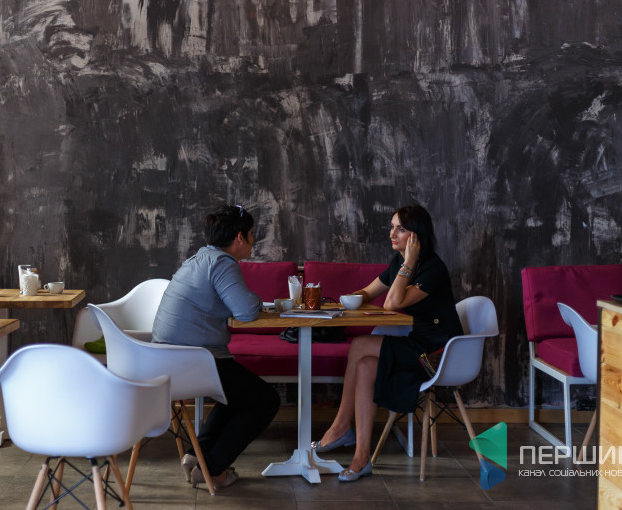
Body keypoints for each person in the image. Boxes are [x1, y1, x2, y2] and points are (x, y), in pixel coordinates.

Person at [311, 204, 463, 482]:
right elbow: (370, 291)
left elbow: (392, 303)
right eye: (392, 227)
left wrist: (409, 263)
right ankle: (361, 458)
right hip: (418, 342)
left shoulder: (432, 268)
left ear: (416, 235)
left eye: (400, 229)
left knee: (359, 346)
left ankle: (341, 426)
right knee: (366, 366)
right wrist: (348, 300)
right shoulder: (398, 262)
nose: (392, 233)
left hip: (438, 352)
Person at [152, 204, 280, 490]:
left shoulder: (199, 258)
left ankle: (197, 457)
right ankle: (212, 469)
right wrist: (257, 300)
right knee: (266, 401)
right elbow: (247, 311)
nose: (253, 241)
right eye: (251, 234)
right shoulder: (222, 263)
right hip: (191, 360)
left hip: (165, 358)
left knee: (236, 396)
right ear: (240, 237)